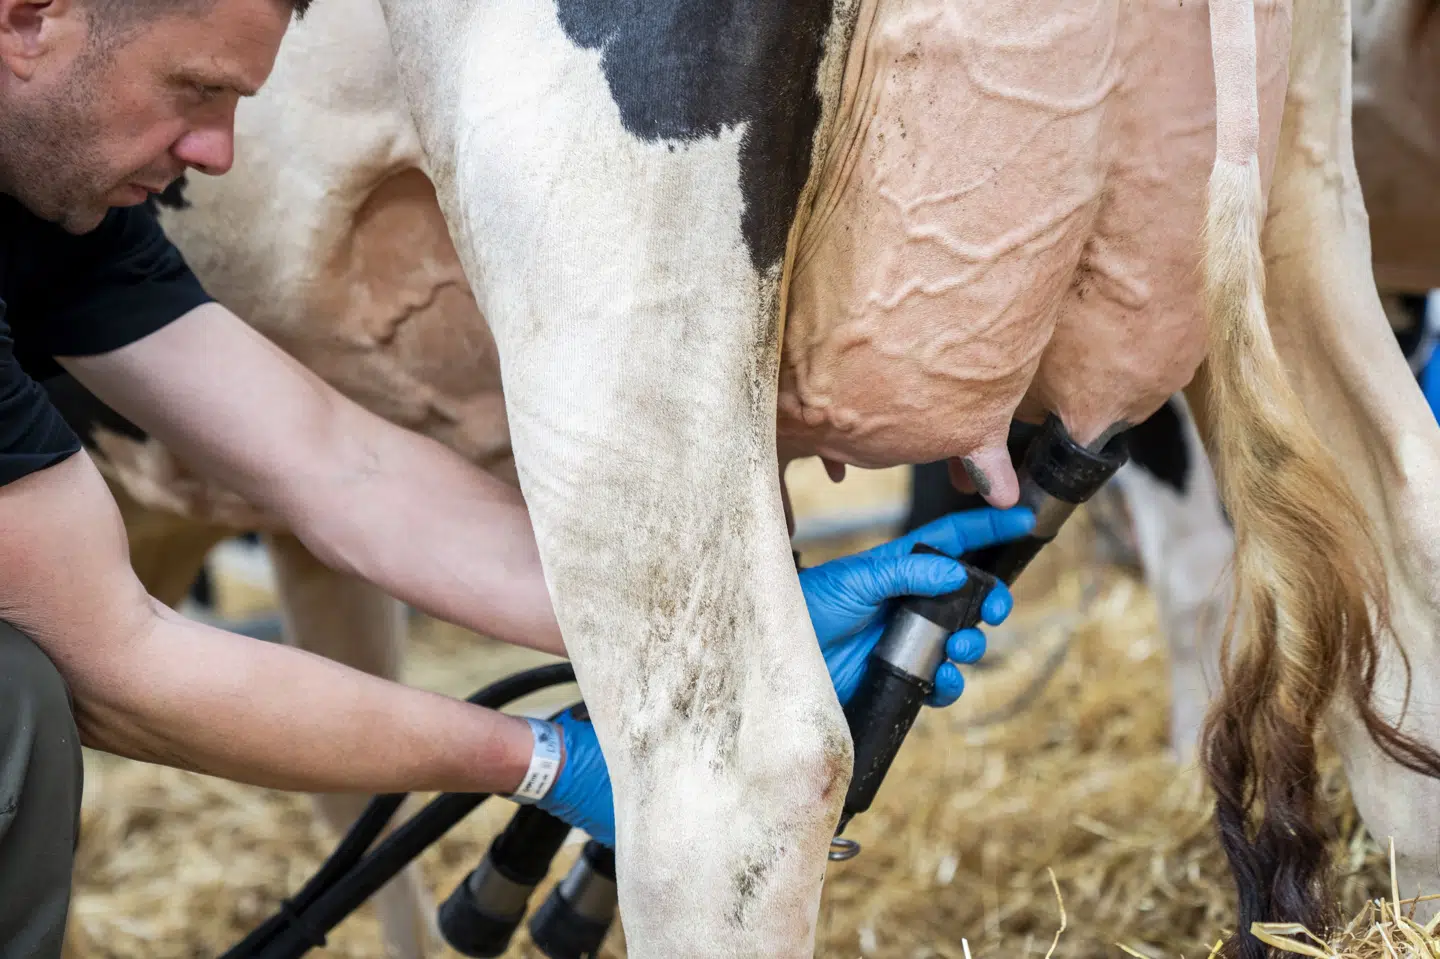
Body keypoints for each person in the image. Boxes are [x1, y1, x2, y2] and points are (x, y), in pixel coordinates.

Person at [0, 0, 1037, 954]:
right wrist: (539, 758)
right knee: (19, 699)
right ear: (30, 19)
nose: (214, 155)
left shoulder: (56, 202)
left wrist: (717, 623)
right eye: (194, 90)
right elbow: (118, 663)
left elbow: (333, 463)